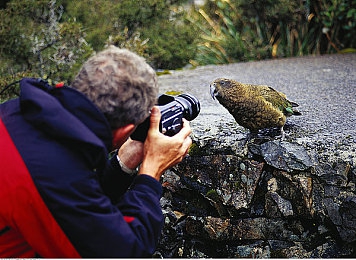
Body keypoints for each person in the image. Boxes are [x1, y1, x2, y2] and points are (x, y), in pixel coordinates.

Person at [0, 46, 192, 257]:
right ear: (127, 130)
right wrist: (151, 172)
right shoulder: (53, 178)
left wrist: (122, 165)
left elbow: (83, 206)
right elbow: (124, 252)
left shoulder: (16, 111)